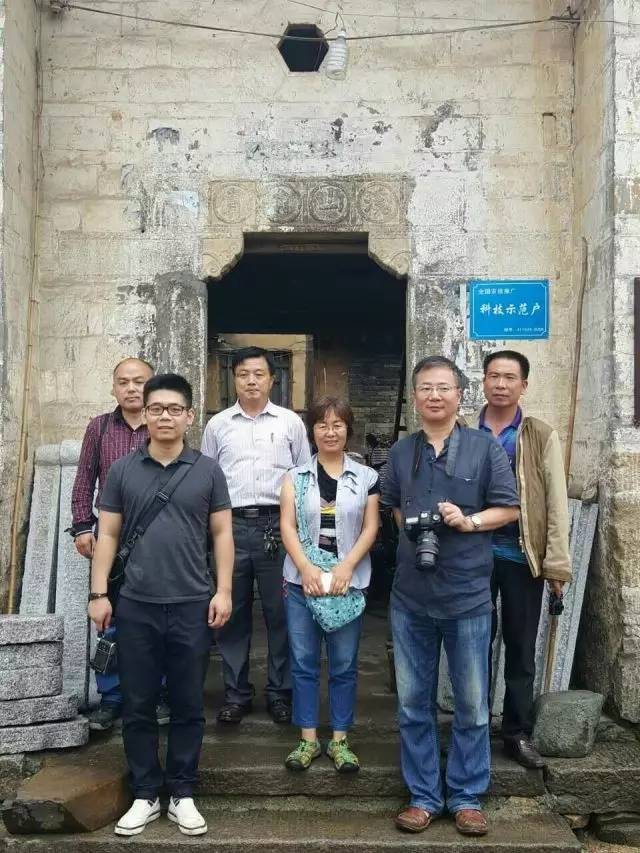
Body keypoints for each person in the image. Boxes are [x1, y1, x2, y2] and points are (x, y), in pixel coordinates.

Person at [87, 373, 234, 837]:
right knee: (138, 703)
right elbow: (108, 534)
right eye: (156, 409)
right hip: (136, 604)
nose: (164, 416)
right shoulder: (122, 470)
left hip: (192, 603)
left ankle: (183, 792)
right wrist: (98, 594)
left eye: (174, 409)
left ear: (189, 416)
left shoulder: (207, 470)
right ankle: (145, 794)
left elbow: (222, 533)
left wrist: (224, 590)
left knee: (188, 703)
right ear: (145, 415)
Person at [382, 356, 520, 837]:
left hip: (467, 595)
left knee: (473, 703)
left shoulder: (484, 449)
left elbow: (509, 509)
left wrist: (468, 521)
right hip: (410, 598)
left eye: (443, 387)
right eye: (425, 388)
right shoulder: (401, 451)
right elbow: (393, 508)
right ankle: (423, 796)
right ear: (414, 397)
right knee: (412, 702)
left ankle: (466, 796)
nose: (434, 396)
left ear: (460, 394)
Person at [201, 346, 311, 725]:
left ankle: (280, 693)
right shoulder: (218, 426)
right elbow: (207, 479)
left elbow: (303, 479)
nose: (251, 381)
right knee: (231, 614)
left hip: (277, 527)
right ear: (233, 379)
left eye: (259, 374)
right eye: (243, 374)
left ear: (272, 379)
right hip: (229, 527)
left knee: (281, 613)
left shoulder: (290, 423)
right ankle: (236, 695)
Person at [473, 350, 571, 769]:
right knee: (474, 644)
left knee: (520, 646)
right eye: (494, 376)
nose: (500, 384)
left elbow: (556, 502)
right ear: (483, 381)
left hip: (521, 555)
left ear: (523, 385)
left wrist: (557, 565)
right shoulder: (466, 432)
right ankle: (474, 728)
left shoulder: (539, 435)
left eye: (509, 377)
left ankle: (515, 732)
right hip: (473, 557)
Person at [279, 397, 379, 772]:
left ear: (348, 430)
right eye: (322, 424)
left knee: (344, 664)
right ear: (312, 431)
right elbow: (287, 525)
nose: (330, 431)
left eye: (338, 424)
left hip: (347, 583)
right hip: (301, 583)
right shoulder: (294, 477)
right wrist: (305, 567)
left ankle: (339, 740)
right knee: (304, 662)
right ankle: (307, 740)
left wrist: (347, 566)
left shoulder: (366, 477)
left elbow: (371, 527)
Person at [70, 356, 164, 732]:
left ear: (151, 386)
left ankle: (156, 694)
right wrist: (82, 526)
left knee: (157, 618)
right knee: (107, 618)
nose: (131, 388)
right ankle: (111, 697)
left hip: (155, 537)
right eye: (123, 382)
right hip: (109, 538)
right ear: (113, 388)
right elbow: (84, 480)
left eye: (139, 381)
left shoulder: (162, 424)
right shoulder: (99, 427)